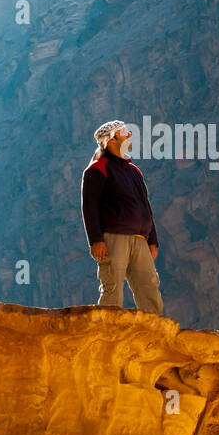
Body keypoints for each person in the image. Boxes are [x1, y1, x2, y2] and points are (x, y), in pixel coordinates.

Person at [80, 120, 163, 314]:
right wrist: (96, 240)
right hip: (112, 239)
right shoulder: (96, 170)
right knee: (113, 287)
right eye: (125, 132)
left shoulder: (134, 171)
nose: (129, 135)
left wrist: (153, 241)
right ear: (112, 140)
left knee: (149, 285)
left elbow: (145, 206)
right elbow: (89, 208)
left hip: (140, 239)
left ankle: (155, 334)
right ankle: (108, 333)